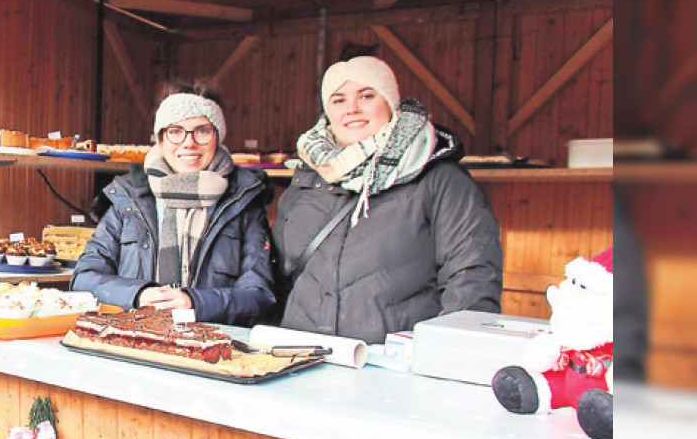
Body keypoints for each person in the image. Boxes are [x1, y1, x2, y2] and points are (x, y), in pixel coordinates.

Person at [272, 55, 503, 343]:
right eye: (338, 100)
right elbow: (280, 279)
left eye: (367, 95)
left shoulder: (439, 179)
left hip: (390, 366)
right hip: (302, 359)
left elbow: (471, 278)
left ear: (390, 102)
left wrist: (444, 354)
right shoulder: (308, 179)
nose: (352, 109)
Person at [70, 84, 276, 326]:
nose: (189, 143)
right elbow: (83, 279)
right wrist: (138, 294)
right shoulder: (129, 199)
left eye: (202, 131)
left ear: (217, 137)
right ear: (160, 138)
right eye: (176, 131)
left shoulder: (243, 203)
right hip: (134, 340)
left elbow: (259, 297)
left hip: (212, 348)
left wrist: (194, 302)